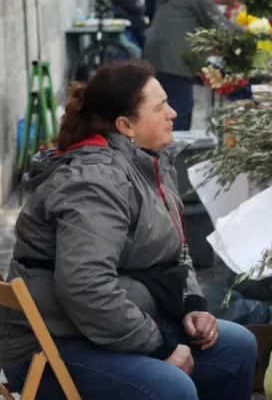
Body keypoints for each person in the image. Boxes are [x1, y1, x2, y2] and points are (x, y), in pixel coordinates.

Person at [0, 61, 257, 399]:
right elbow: (85, 286)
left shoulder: (149, 164)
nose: (173, 113)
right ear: (126, 125)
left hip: (108, 330)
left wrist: (193, 303)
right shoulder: (95, 182)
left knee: (237, 346)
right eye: (161, 106)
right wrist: (159, 346)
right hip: (55, 344)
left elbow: (175, 249)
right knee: (172, 387)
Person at [145, 0, 232, 131]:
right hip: (175, 57)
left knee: (162, 109)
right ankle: (174, 156)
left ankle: (160, 154)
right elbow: (217, 23)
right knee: (179, 111)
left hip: (156, 54)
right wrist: (248, 33)